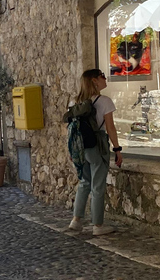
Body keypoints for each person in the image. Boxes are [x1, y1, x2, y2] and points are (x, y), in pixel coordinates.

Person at [69, 69, 123, 236]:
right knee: (98, 185)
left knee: (85, 182)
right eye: (102, 77)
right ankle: (98, 225)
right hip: (97, 145)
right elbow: (110, 128)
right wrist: (117, 149)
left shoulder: (75, 102)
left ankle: (76, 220)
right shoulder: (104, 101)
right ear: (94, 81)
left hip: (80, 147)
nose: (105, 79)